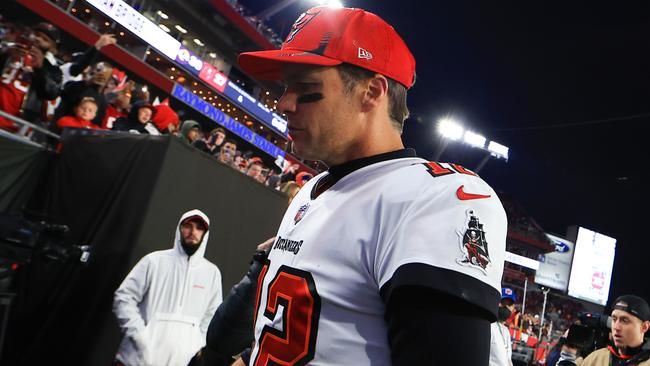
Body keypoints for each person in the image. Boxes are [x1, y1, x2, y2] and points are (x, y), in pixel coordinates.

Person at [234, 6, 507, 365]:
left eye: (305, 88)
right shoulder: (311, 190)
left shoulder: (435, 198)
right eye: (286, 87)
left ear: (371, 93)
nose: (284, 102)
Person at [113, 209, 223, 366]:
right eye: (188, 226)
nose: (193, 232)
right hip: (136, 360)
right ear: (179, 229)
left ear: (205, 234)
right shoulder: (154, 261)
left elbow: (212, 315)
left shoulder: (212, 273)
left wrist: (197, 344)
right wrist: (140, 335)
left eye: (199, 228)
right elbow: (124, 297)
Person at [0, 22, 62, 131]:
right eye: (37, 34)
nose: (38, 39)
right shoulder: (9, 48)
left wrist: (40, 68)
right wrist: (5, 54)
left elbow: (51, 93)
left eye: (45, 39)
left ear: (52, 47)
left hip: (14, 123)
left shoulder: (52, 69)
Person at [581, 295, 650, 366]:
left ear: (644, 327)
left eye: (625, 321)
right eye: (614, 319)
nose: (616, 327)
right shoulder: (595, 358)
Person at [54, 61, 112, 127]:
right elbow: (67, 92)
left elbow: (95, 124)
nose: (100, 74)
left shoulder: (103, 101)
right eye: (98, 70)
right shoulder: (78, 86)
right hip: (60, 127)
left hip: (78, 134)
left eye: (105, 75)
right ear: (92, 70)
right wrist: (88, 82)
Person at [491, 288, 516, 366]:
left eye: (509, 304)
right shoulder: (489, 325)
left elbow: (508, 359)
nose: (506, 307)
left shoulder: (506, 330)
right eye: (503, 303)